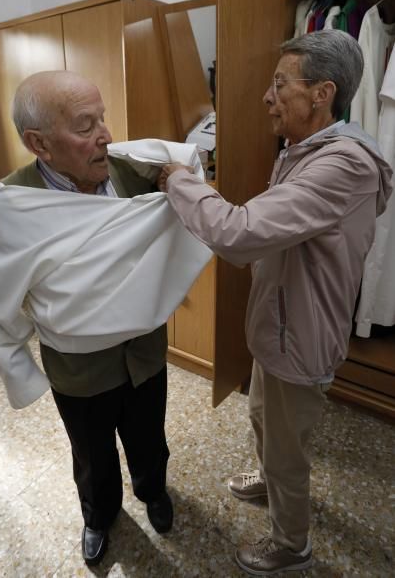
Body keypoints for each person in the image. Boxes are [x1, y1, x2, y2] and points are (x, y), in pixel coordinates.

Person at [158, 30, 393, 576]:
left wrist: (180, 181)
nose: (267, 97)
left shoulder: (343, 166)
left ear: (321, 93)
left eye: (279, 84)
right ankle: (271, 479)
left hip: (302, 333)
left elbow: (240, 234)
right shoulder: (302, 151)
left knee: (288, 447)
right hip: (279, 325)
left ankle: (292, 545)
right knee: (264, 417)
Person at [0, 71, 177, 567]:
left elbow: (185, 187)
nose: (106, 135)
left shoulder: (133, 172)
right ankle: (99, 514)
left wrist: (179, 178)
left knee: (150, 434)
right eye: (86, 126)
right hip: (78, 369)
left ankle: (153, 490)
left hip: (144, 353)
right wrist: (19, 366)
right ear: (38, 143)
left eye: (103, 118)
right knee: (92, 455)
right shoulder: (14, 204)